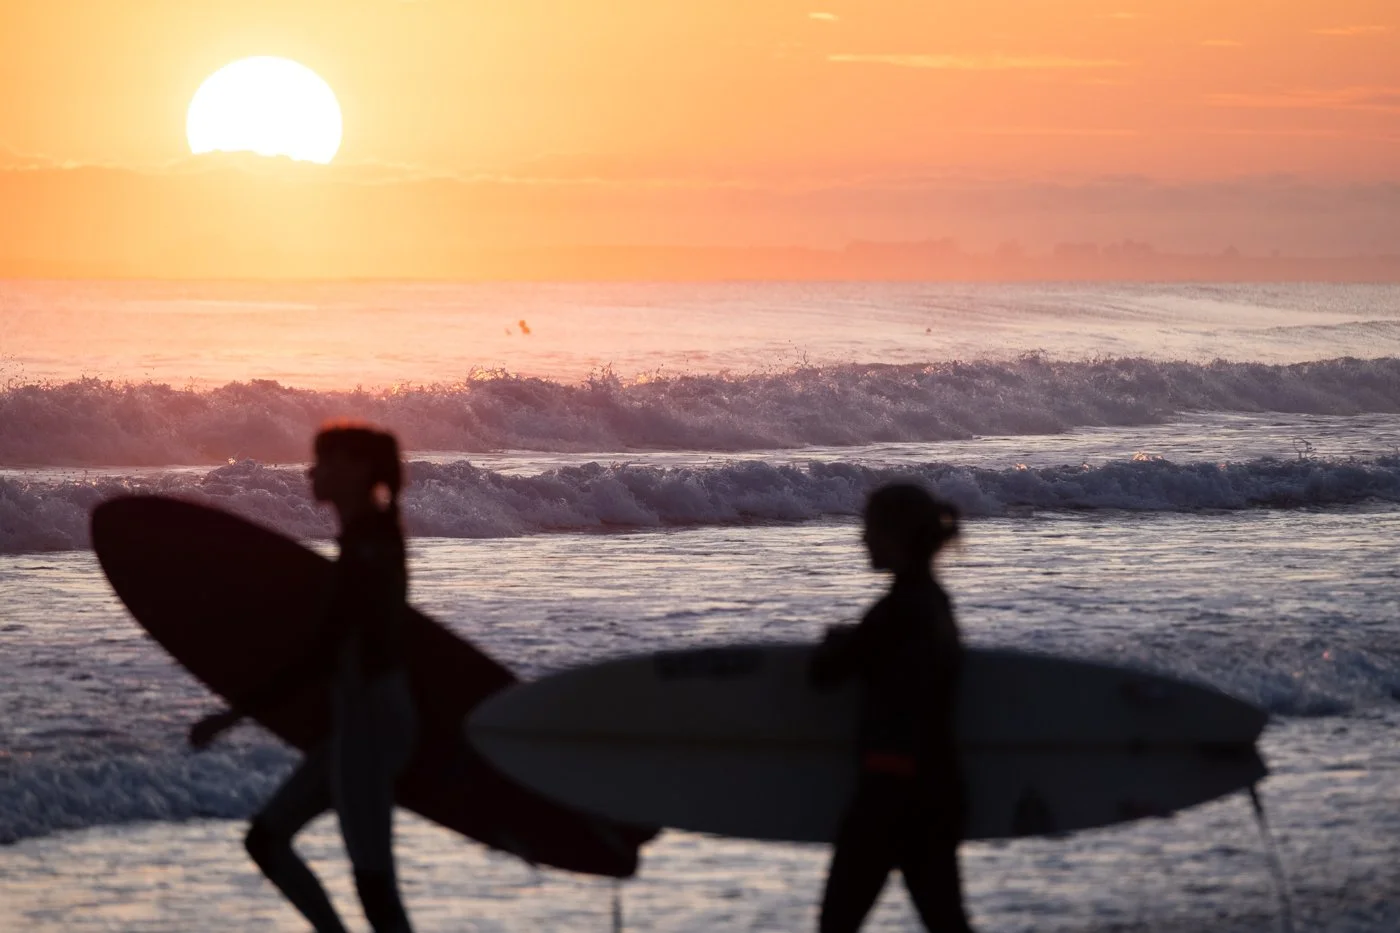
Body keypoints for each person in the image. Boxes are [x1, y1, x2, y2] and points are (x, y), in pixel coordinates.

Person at [189, 423, 417, 933]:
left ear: (357, 470)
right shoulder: (371, 537)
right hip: (357, 725)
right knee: (267, 841)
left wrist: (233, 714)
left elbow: (328, 653)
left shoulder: (370, 547)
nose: (312, 471)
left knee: (374, 884)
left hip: (370, 727)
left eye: (325, 460)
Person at [809, 482, 973, 933]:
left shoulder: (898, 610)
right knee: (947, 923)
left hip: (889, 794)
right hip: (936, 791)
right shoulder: (935, 603)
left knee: (836, 925)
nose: (861, 540)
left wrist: (837, 643)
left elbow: (824, 675)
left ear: (893, 535)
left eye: (868, 530)